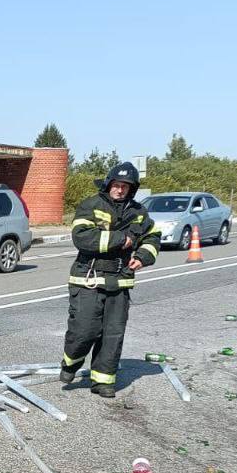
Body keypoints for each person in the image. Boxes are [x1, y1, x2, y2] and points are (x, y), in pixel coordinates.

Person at [59, 162, 161, 398]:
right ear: (108, 184)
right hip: (88, 277)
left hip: (120, 280)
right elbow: (82, 237)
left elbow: (153, 236)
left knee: (112, 334)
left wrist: (143, 256)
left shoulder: (139, 213)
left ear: (132, 189)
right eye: (116, 185)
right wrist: (121, 239)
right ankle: (70, 363)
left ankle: (103, 381)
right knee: (84, 330)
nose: (120, 190)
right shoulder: (91, 205)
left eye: (125, 186)